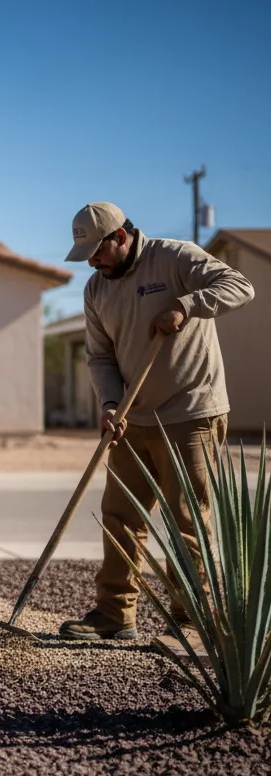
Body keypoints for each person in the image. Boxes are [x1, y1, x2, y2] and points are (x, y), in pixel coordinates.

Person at [59, 202, 255, 643]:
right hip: (132, 416)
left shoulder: (176, 257)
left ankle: (192, 623)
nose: (92, 261)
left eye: (98, 251)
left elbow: (240, 286)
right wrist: (109, 403)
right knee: (119, 516)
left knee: (186, 520)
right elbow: (100, 357)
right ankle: (114, 614)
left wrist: (188, 305)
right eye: (86, 255)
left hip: (191, 413)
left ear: (121, 237)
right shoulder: (96, 291)